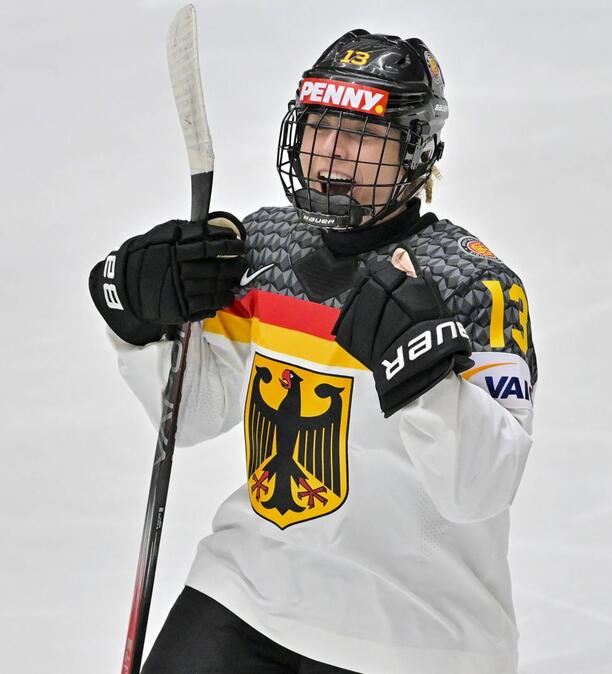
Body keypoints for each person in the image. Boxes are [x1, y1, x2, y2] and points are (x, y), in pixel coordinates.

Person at [89, 30, 536, 673]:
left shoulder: (474, 285)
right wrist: (141, 318)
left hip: (415, 632)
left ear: (416, 150)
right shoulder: (265, 250)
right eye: (320, 126)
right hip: (244, 587)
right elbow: (190, 417)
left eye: (360, 135)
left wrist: (427, 379)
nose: (330, 155)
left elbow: (481, 489)